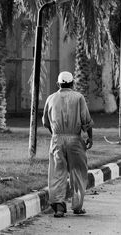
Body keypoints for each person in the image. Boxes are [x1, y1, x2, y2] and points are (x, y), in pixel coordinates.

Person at [42, 71, 94, 218]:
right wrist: (90, 137)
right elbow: (86, 121)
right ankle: (77, 206)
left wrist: (56, 134)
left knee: (57, 172)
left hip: (57, 139)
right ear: (72, 83)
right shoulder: (79, 97)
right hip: (75, 139)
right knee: (78, 172)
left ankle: (59, 207)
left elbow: (46, 122)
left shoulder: (51, 98)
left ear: (58, 84)